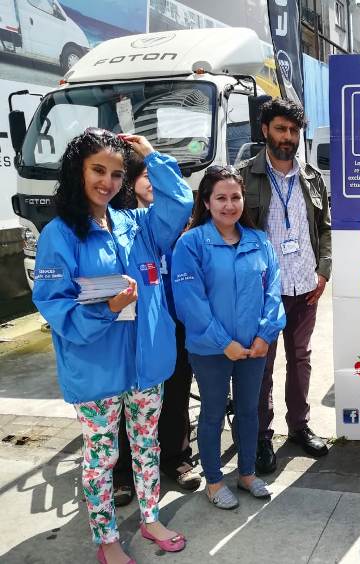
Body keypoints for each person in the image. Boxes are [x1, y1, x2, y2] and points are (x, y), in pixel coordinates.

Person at [32, 130, 193, 563]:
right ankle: (106, 538)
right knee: (102, 458)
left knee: (147, 447)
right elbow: (55, 306)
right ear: (77, 172)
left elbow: (179, 205)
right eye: (98, 170)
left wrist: (154, 157)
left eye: (117, 174)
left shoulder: (135, 224)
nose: (108, 182)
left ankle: (151, 516)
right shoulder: (60, 235)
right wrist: (107, 308)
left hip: (145, 366)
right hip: (97, 369)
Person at [171, 165, 286, 509]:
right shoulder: (191, 244)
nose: (229, 204)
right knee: (212, 412)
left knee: (249, 411)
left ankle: (247, 473)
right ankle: (215, 480)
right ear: (206, 202)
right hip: (211, 350)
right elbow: (191, 302)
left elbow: (273, 292)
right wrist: (224, 343)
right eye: (220, 197)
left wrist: (266, 334)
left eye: (235, 197)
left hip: (254, 347)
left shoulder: (259, 241)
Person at [238, 97, 332, 474]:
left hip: (305, 287)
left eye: (294, 131)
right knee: (262, 364)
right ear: (265, 131)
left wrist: (323, 271)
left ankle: (299, 427)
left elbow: (326, 229)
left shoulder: (311, 178)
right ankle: (261, 435)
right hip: (265, 292)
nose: (288, 137)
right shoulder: (244, 177)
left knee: (301, 359)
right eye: (281, 129)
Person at [112, 153, 201, 508]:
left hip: (174, 322)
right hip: (132, 325)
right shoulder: (124, 225)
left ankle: (176, 458)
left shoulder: (175, 224)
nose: (152, 182)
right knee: (122, 399)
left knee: (177, 391)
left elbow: (180, 198)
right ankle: (121, 473)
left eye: (157, 176)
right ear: (129, 182)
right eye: (145, 175)